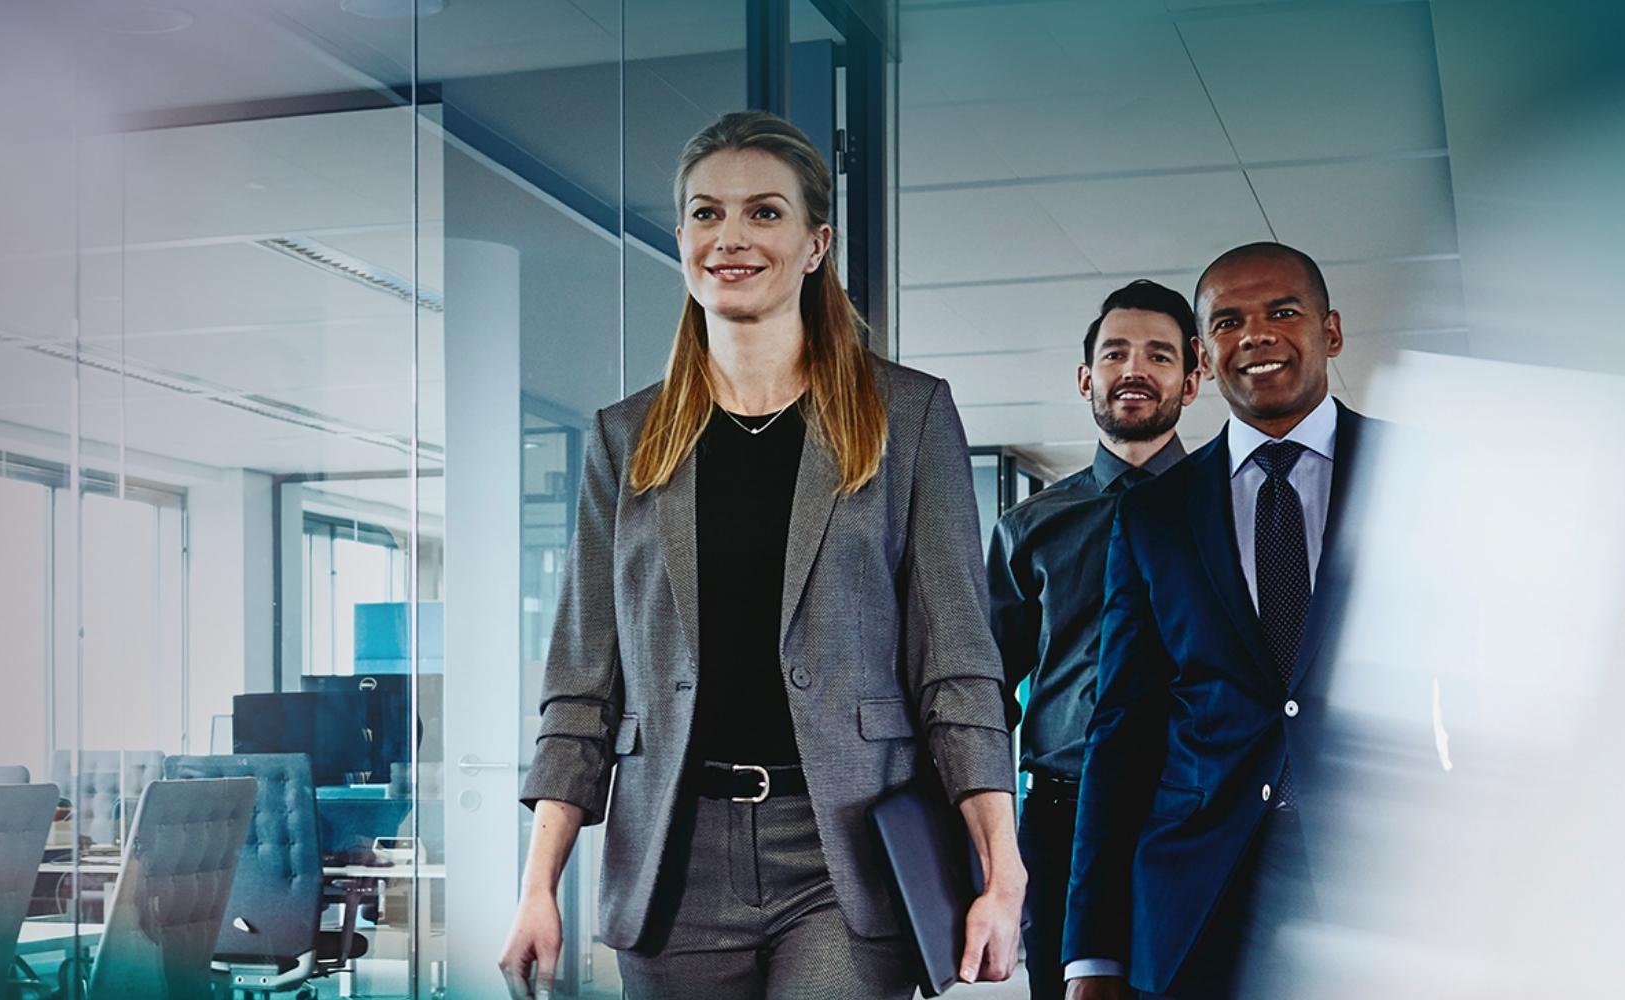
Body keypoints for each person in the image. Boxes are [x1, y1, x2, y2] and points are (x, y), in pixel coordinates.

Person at [496, 109, 1024, 1000]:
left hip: (841, 852)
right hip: (674, 860)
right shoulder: (625, 439)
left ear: (816, 244)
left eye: (764, 213)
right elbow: (584, 683)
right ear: (681, 240)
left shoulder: (908, 417)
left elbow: (959, 671)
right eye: (706, 214)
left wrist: (1000, 871)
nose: (730, 237)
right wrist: (537, 884)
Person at [1065, 243, 1368, 998]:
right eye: (1230, 320)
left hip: (1379, 891)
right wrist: (1094, 953)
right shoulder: (1154, 516)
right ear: (1205, 353)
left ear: (1331, 331)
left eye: (1283, 312)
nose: (1257, 334)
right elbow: (1121, 734)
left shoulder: (1423, 475)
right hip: (1198, 899)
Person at [986, 280, 1203, 1000]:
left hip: (1191, 806)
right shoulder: (1029, 528)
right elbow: (987, 689)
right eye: (1115, 353)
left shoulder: (1228, 514)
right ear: (1087, 378)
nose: (1134, 370)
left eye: (1159, 355)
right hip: (1060, 818)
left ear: (1193, 378)